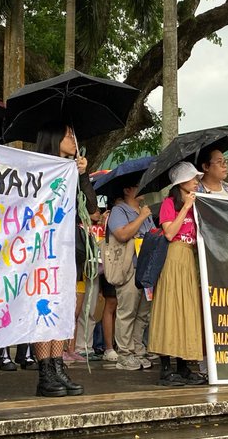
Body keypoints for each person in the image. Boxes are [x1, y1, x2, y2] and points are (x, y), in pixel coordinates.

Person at [30, 123, 92, 397]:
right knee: (43, 308)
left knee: (61, 308)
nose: (73, 139)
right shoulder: (37, 168)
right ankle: (45, 371)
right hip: (41, 250)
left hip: (66, 252)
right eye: (68, 134)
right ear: (53, 137)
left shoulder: (73, 171)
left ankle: (57, 366)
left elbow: (92, 209)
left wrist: (83, 174)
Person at [149, 162, 207, 386]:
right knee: (170, 309)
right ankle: (166, 368)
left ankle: (183, 367)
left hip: (189, 260)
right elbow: (170, 233)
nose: (196, 181)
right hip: (173, 259)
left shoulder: (197, 204)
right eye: (192, 178)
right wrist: (185, 208)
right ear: (180, 182)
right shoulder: (169, 204)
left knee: (187, 312)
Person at [105, 180, 155, 371]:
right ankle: (124, 354)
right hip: (128, 268)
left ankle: (138, 350)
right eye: (138, 185)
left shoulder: (145, 211)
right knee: (127, 311)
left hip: (145, 268)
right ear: (127, 189)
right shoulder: (120, 211)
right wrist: (141, 217)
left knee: (142, 313)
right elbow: (122, 234)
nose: (143, 188)